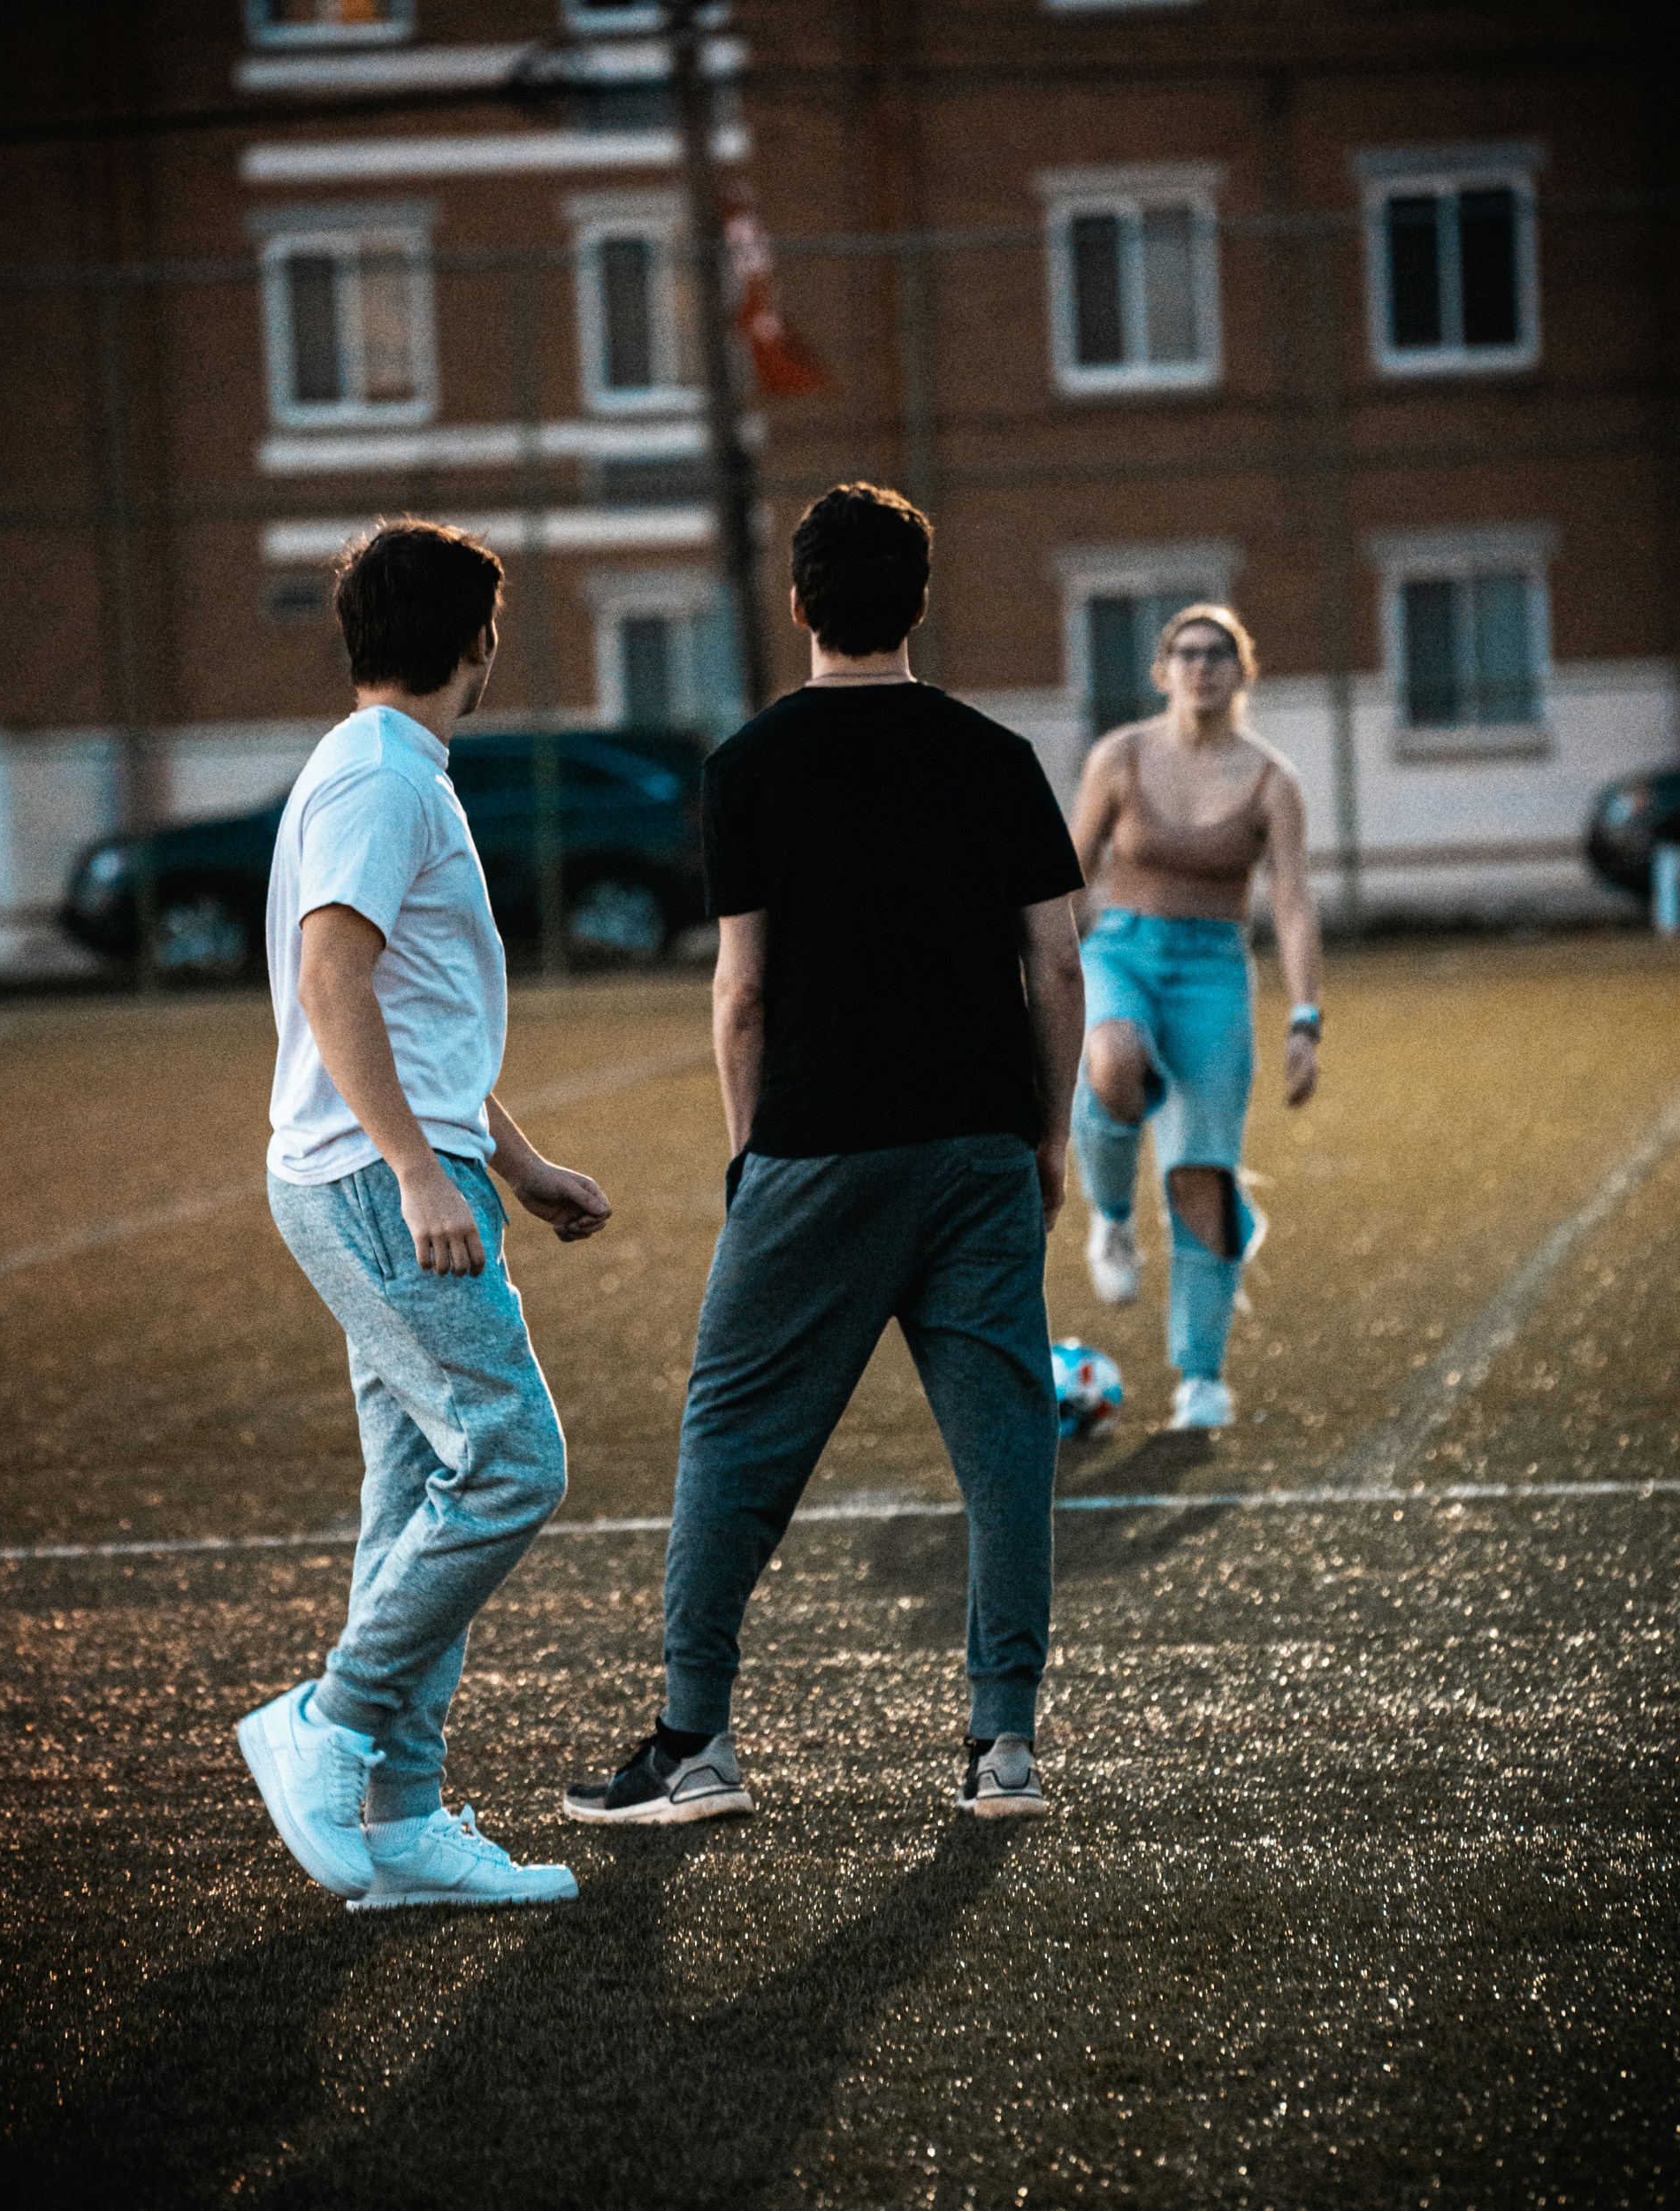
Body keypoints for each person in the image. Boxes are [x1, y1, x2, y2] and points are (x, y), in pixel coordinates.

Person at [563, 482, 1086, 1828]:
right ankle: (1004, 1750)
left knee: (733, 1438)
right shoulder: (995, 754)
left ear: (797, 605)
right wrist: (1049, 1130)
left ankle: (695, 1745)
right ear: (920, 601)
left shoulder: (747, 766)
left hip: (818, 1149)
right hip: (977, 1142)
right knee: (1008, 1449)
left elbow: (739, 991)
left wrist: (751, 1157)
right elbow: (1057, 957)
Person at [238, 519, 612, 1910]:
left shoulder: (381, 769)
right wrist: (413, 1169)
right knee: (514, 1464)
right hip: (372, 1182)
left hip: (403, 1168)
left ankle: (399, 1826)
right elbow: (335, 977)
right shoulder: (387, 778)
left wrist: (510, 1161)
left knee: (416, 1492)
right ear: (480, 643)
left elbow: (413, 1017)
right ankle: (331, 1726)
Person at [1067, 603, 1322, 1431]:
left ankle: (1201, 1377)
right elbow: (1068, 874)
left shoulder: (1271, 779)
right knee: (1111, 1062)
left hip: (1214, 969)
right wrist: (1045, 975)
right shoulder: (1120, 755)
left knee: (1201, 1174)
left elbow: (1291, 902)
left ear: (1241, 670)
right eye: (1187, 652)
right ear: (1163, 669)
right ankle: (1110, 1221)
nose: (1202, 666)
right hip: (1121, 953)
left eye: (1218, 653)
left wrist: (1305, 1018)